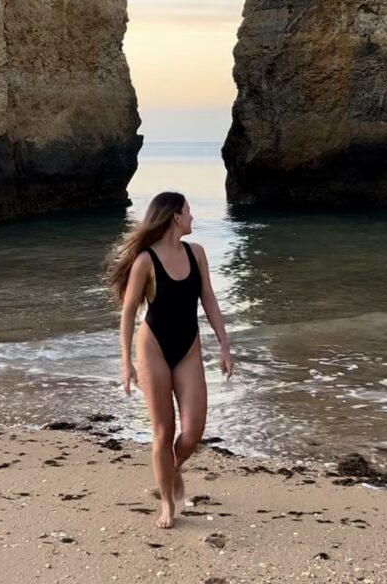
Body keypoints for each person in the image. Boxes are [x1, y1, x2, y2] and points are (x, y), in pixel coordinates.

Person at [105, 191, 233, 529]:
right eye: (189, 211)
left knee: (192, 433)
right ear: (175, 216)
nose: (193, 217)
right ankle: (167, 503)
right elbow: (129, 312)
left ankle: (172, 470)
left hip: (188, 348)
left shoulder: (198, 253)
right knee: (164, 432)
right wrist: (125, 361)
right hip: (153, 348)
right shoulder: (146, 261)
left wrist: (224, 345)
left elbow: (209, 300)